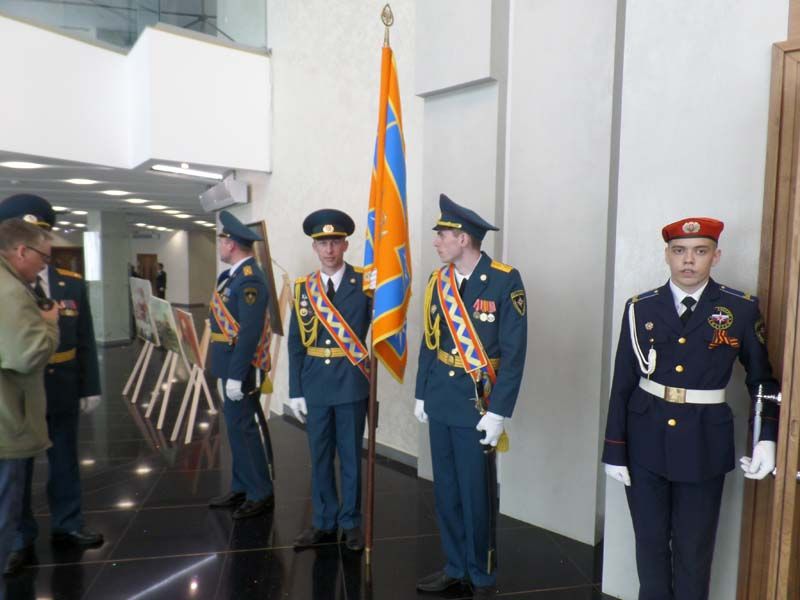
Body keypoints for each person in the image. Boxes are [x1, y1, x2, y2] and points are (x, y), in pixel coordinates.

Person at [602, 217, 779, 600]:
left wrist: (766, 437)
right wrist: (614, 449)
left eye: (700, 251)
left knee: (694, 551)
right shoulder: (640, 309)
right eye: (679, 251)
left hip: (704, 444)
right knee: (649, 547)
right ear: (667, 255)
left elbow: (762, 380)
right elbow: (623, 382)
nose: (688, 260)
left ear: (716, 256)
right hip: (645, 441)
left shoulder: (740, 309)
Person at [414, 194, 528, 599]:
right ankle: (455, 565)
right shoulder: (438, 281)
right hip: (442, 398)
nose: (436, 242)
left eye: (442, 235)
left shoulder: (504, 280)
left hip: (478, 404)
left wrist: (499, 412)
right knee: (446, 490)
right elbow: (430, 340)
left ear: (463, 238)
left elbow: (514, 355)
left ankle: (481, 574)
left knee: (476, 494)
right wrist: (422, 392)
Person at [0, 195, 104, 578]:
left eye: (43, 238)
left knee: (65, 459)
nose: (42, 250)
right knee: (17, 468)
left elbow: (85, 337)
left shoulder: (69, 283)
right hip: (19, 391)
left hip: (61, 384)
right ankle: (18, 537)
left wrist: (89, 386)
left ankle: (68, 523)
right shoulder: (9, 287)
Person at [287, 209, 371, 552]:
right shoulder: (302, 289)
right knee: (319, 456)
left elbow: (383, 327)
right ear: (314, 247)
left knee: (350, 457)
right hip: (315, 383)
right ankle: (324, 522)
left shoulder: (365, 284)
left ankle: (350, 522)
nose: (329, 249)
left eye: (335, 242)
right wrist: (295, 389)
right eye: (323, 243)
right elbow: (296, 342)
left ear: (346, 245)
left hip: (350, 382)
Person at [0, 219, 60, 588]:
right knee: (3, 514)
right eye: (43, 257)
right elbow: (28, 355)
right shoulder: (10, 291)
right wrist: (50, 324)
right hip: (7, 420)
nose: (44, 265)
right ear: (22, 251)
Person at [207, 210, 274, 519]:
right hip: (228, 363)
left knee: (244, 428)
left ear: (231, 244)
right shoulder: (230, 277)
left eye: (221, 241)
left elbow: (249, 332)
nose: (220, 246)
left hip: (242, 368)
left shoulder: (250, 280)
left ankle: (260, 492)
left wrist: (236, 376)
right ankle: (241, 486)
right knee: (234, 428)